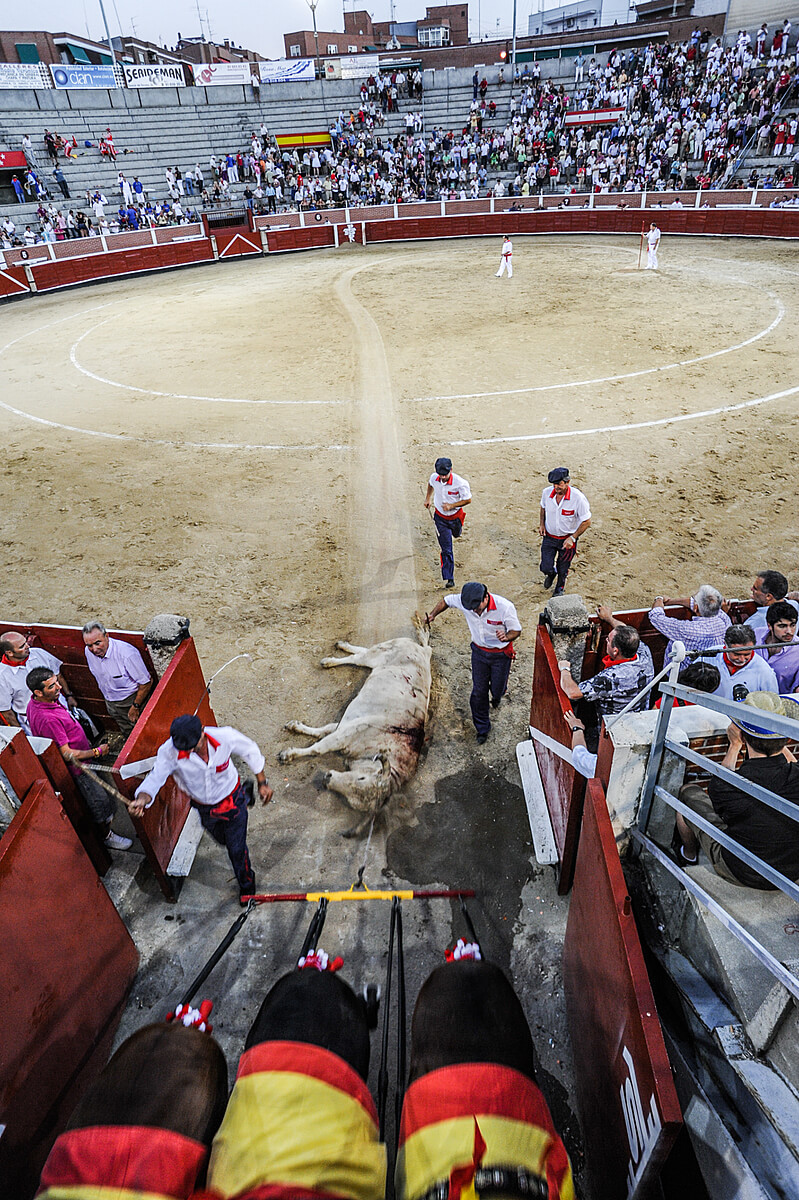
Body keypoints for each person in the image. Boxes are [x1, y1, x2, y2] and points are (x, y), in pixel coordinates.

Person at [130, 714, 273, 903]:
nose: (189, 750)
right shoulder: (169, 751)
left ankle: (247, 888)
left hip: (232, 798)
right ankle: (247, 794)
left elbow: (250, 751)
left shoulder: (225, 736)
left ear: (202, 732)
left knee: (236, 849)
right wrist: (142, 798)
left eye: (192, 745)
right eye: (184, 747)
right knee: (222, 840)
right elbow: (157, 777)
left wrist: (262, 782)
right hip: (205, 808)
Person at [674, 691, 799, 888]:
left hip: (742, 872)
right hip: (791, 873)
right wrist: (776, 739)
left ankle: (688, 855)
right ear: (788, 740)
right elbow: (792, 764)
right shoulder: (795, 774)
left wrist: (734, 746)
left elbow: (721, 786)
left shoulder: (727, 787)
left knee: (687, 794)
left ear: (741, 735)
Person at [25, 667, 132, 851]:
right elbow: (66, 754)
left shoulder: (37, 703)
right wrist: (97, 752)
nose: (58, 687)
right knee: (100, 804)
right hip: (80, 768)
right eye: (52, 686)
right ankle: (107, 837)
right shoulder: (47, 718)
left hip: (84, 760)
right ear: (38, 692)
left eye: (57, 682)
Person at [425, 581, 521, 745]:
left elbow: (516, 630)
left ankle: (497, 695)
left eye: (478, 607)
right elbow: (445, 601)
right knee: (478, 692)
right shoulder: (465, 602)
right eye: (471, 609)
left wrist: (507, 636)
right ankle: (482, 728)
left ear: (486, 598)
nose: (475, 611)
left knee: (497, 689)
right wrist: (433, 615)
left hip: (500, 655)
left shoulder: (505, 607)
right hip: (479, 653)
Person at [558, 609, 654, 732]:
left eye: (608, 640)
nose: (606, 641)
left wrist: (564, 669)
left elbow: (573, 692)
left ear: (615, 651)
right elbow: (625, 630)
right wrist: (609, 618)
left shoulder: (611, 677)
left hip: (614, 728)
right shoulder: (644, 653)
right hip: (639, 721)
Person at [82, 621, 153, 737]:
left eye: (97, 643)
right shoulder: (88, 652)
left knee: (144, 733)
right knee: (126, 732)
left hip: (131, 701)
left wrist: (135, 706)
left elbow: (146, 683)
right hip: (110, 700)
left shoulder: (127, 654)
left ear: (107, 636)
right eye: (89, 645)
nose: (94, 649)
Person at [0, 631, 77, 732]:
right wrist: (21, 734)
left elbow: (58, 675)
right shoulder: (2, 676)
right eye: (22, 646)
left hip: (60, 707)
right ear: (9, 653)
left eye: (26, 642)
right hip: (34, 721)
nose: (27, 646)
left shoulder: (39, 653)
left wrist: (69, 696)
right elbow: (6, 711)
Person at [539, 467, 591, 596]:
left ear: (567, 482)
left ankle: (559, 588)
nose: (556, 487)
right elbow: (543, 508)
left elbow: (586, 521)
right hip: (549, 537)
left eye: (559, 484)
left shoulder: (578, 498)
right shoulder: (546, 493)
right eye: (554, 484)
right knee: (545, 566)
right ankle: (551, 574)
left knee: (563, 567)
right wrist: (541, 524)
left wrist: (573, 538)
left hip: (567, 539)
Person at [647, 585, 730, 664]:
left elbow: (655, 616)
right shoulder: (724, 619)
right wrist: (670, 601)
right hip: (713, 668)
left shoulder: (687, 629)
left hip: (685, 672)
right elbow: (693, 603)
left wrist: (659, 599)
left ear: (696, 608)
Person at [424, 456, 472, 588]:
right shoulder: (435, 477)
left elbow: (467, 500)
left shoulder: (461, 483)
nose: (443, 477)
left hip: (455, 517)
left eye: (445, 475)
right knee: (446, 549)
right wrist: (428, 498)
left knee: (456, 534)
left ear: (451, 470)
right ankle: (449, 577)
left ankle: (457, 531)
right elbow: (430, 484)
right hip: (440, 518)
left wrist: (451, 506)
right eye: (441, 475)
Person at [703, 625, 779, 700]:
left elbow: (773, 703)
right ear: (725, 645)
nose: (742, 659)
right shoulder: (707, 657)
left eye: (747, 654)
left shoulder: (765, 671)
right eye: (736, 654)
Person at [757, 601, 799, 693]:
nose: (789, 631)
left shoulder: (798, 650)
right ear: (769, 626)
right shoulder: (755, 636)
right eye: (782, 626)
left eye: (792, 625)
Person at [745, 570, 798, 636]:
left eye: (755, 589)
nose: (751, 589)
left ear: (768, 596)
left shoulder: (754, 622)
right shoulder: (794, 605)